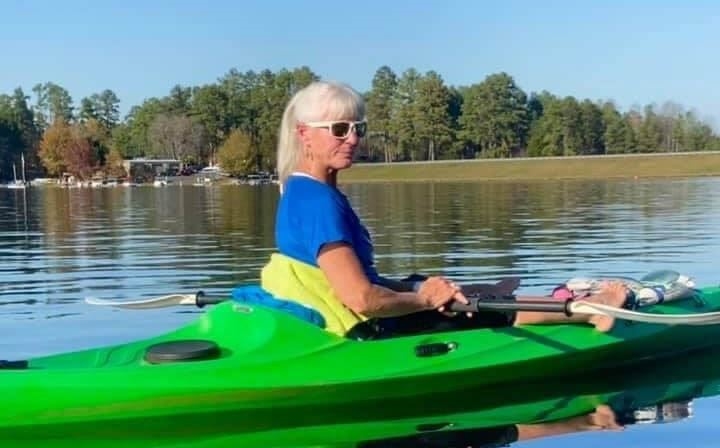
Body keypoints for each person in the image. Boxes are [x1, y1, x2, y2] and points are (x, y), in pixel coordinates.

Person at [258, 80, 628, 338]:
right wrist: (425, 298)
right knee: (467, 308)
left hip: (340, 311)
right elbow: (362, 298)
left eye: (359, 128)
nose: (353, 138)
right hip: (363, 326)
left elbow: (355, 280)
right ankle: (589, 310)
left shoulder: (299, 190)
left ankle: (494, 292)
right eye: (339, 128)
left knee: (435, 284)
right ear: (305, 133)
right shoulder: (319, 201)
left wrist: (432, 287)